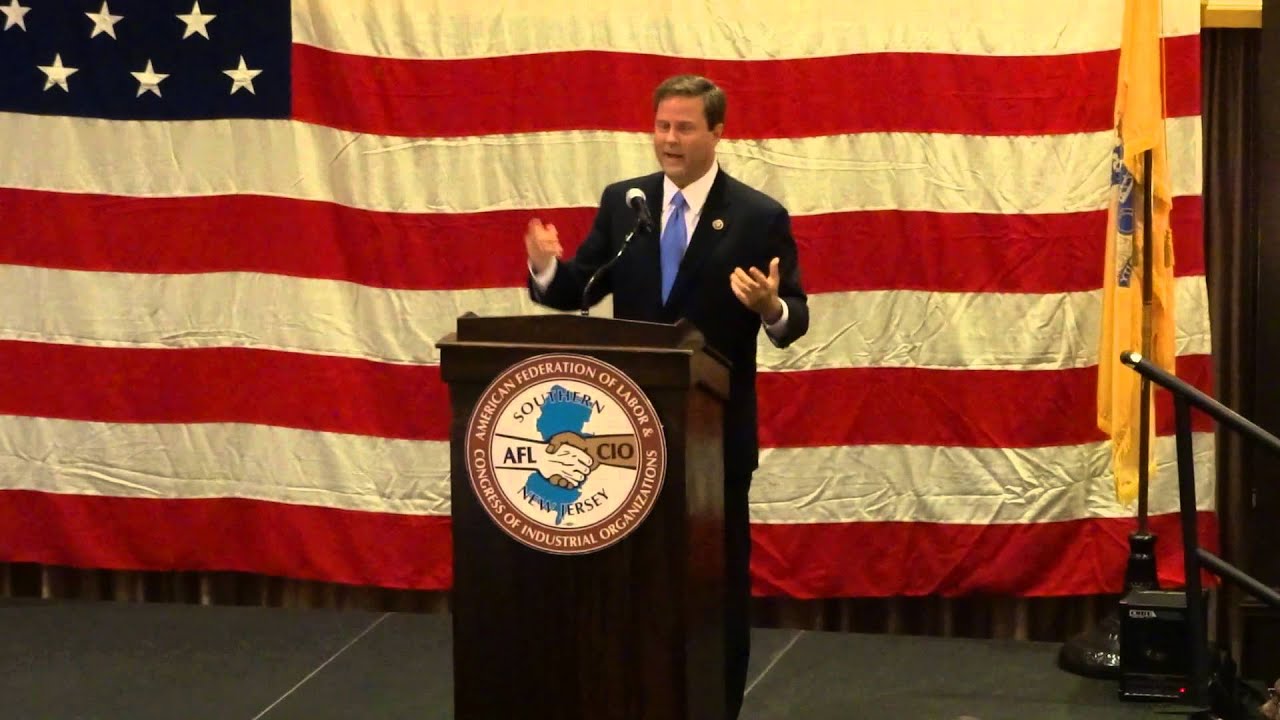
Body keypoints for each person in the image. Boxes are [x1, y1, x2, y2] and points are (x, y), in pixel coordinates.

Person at [523, 73, 809, 718]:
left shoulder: (758, 216)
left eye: (683, 127)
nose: (668, 140)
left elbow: (796, 318)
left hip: (714, 435)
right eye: (661, 126)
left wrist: (770, 307)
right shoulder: (624, 204)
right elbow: (579, 290)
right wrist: (547, 270)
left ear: (717, 132)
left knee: (715, 590)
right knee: (634, 584)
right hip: (624, 433)